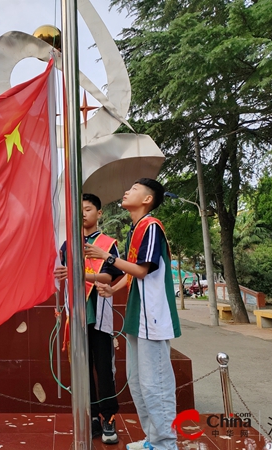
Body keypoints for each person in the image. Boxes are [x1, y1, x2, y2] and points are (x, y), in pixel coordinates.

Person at [84, 178, 181, 450]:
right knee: (138, 383)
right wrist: (112, 288)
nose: (127, 191)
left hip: (153, 317)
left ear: (147, 200)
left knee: (156, 383)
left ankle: (165, 443)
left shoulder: (151, 226)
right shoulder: (135, 228)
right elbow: (131, 274)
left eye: (134, 189)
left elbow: (141, 270)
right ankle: (153, 439)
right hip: (138, 317)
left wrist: (107, 256)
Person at [53, 193, 122, 445]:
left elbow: (110, 277)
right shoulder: (67, 244)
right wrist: (63, 273)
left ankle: (109, 417)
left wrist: (81, 274)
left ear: (99, 213)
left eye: (89, 209)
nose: (83, 213)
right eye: (79, 209)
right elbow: (62, 273)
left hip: (99, 314)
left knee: (104, 368)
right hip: (77, 316)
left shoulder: (107, 243)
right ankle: (92, 416)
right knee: (82, 368)